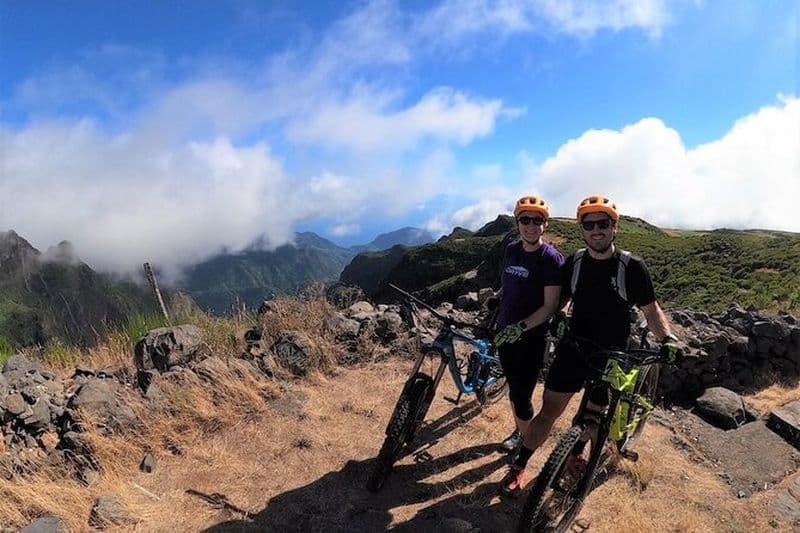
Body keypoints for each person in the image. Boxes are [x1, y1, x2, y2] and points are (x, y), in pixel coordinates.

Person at [499, 194, 681, 498]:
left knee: (592, 415)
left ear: (614, 227)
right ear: (582, 228)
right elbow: (564, 298)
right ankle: (518, 467)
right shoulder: (576, 262)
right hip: (575, 347)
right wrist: (559, 314)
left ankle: (577, 452)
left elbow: (651, 310)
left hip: (611, 353)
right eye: (589, 224)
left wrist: (667, 338)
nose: (596, 230)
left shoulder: (631, 266)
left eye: (603, 223)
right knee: (547, 413)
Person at [493, 195, 564, 495]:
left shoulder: (551, 259)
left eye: (537, 220)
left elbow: (550, 306)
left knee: (522, 394)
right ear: (518, 222)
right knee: (513, 388)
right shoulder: (511, 249)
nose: (531, 226)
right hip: (504, 331)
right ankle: (520, 432)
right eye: (525, 219)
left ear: (545, 224)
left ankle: (524, 450)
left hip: (530, 339)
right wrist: (496, 303)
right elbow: (508, 286)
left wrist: (520, 328)